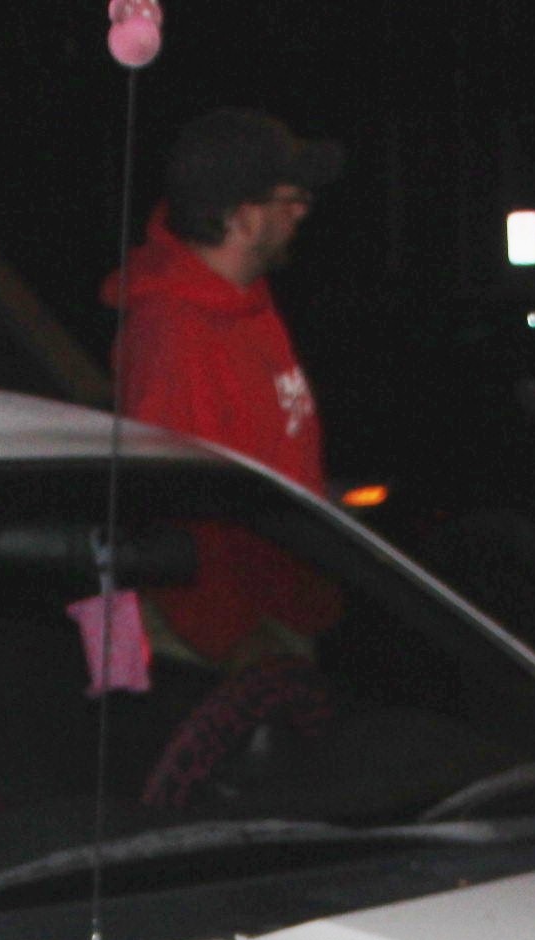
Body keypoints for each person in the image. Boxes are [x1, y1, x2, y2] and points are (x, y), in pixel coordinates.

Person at [104, 109, 344, 671]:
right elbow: (172, 512)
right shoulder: (174, 337)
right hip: (224, 643)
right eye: (290, 198)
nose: (302, 211)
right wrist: (238, 645)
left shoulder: (245, 303)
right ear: (242, 217)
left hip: (279, 611)